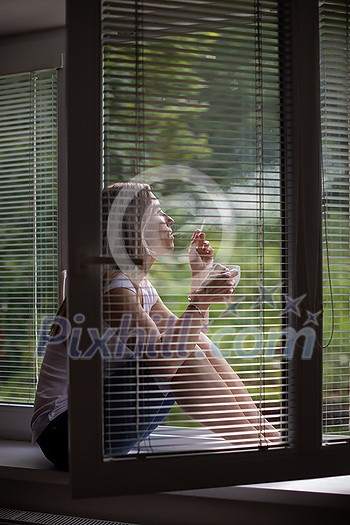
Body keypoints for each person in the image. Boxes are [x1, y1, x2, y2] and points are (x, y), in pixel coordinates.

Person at [31, 181, 279, 470]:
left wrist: (198, 282)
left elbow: (190, 340)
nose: (170, 219)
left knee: (196, 345)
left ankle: (269, 440)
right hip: (65, 434)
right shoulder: (113, 288)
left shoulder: (137, 284)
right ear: (135, 226)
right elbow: (166, 358)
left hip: (94, 420)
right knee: (179, 354)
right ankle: (263, 449)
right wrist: (201, 300)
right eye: (159, 212)